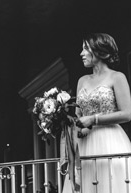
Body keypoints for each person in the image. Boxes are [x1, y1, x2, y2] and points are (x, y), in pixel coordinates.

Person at [62, 33, 131, 193]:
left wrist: (94, 119)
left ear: (102, 53)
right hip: (85, 143)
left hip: (110, 141)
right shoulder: (82, 80)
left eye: (86, 49)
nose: (81, 53)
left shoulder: (117, 77)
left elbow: (127, 113)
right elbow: (78, 114)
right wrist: (71, 122)